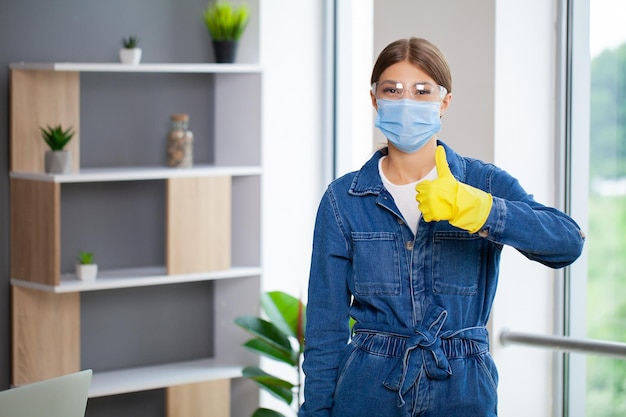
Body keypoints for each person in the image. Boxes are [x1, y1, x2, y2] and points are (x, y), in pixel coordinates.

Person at [299, 37, 585, 417]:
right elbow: (325, 330)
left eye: (422, 91)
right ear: (374, 99)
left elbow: (567, 242)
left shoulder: (481, 183)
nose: (406, 102)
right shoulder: (343, 199)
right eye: (392, 90)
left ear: (444, 102)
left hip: (463, 388)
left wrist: (479, 210)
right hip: (368, 390)